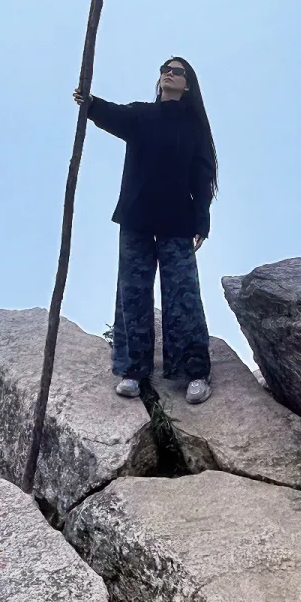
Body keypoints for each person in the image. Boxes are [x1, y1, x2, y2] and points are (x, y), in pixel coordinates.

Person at [73, 57, 218, 405]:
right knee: (132, 293)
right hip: (136, 218)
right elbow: (112, 115)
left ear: (188, 83)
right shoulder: (141, 116)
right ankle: (132, 370)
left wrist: (202, 221)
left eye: (177, 70)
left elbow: (202, 175)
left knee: (182, 296)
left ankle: (194, 371)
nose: (168, 73)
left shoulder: (194, 126)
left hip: (177, 222)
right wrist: (89, 103)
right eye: (164, 69)